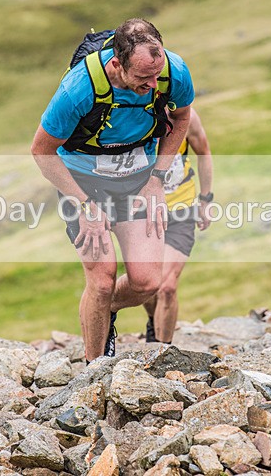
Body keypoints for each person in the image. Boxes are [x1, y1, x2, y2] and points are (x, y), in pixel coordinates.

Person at [31, 18, 195, 361]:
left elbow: (181, 119)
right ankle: (93, 370)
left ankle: (103, 312)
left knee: (148, 281)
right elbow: (42, 152)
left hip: (138, 181)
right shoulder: (79, 88)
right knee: (102, 280)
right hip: (83, 183)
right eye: (142, 78)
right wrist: (86, 206)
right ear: (116, 64)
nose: (152, 86)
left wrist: (157, 179)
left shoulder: (173, 72)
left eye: (156, 75)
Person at [143, 107, 213, 344]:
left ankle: (163, 350)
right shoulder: (134, 114)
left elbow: (204, 153)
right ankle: (154, 321)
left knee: (167, 286)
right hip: (144, 211)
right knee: (146, 284)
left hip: (182, 207)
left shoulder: (188, 117)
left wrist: (205, 199)